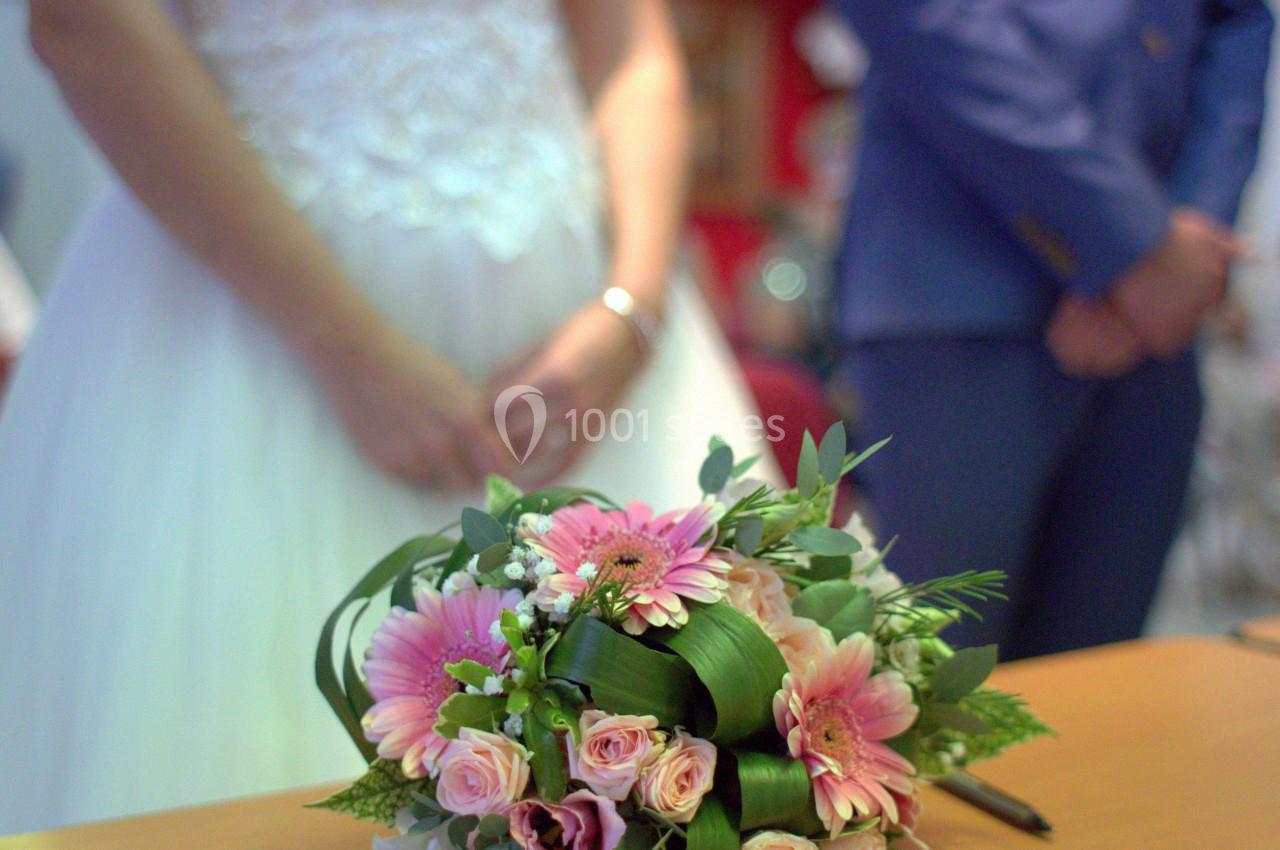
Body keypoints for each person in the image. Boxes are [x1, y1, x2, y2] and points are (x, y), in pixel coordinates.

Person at [0, 0, 774, 832]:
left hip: (590, 336)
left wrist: (632, 311)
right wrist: (348, 350)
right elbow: (84, 24)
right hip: (245, 342)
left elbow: (630, 40)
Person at [828, 1, 1272, 659]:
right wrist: (1132, 246)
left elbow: (1238, 22)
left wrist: (1186, 245)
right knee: (933, 698)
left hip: (1157, 325)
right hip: (960, 292)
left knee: (1099, 699)